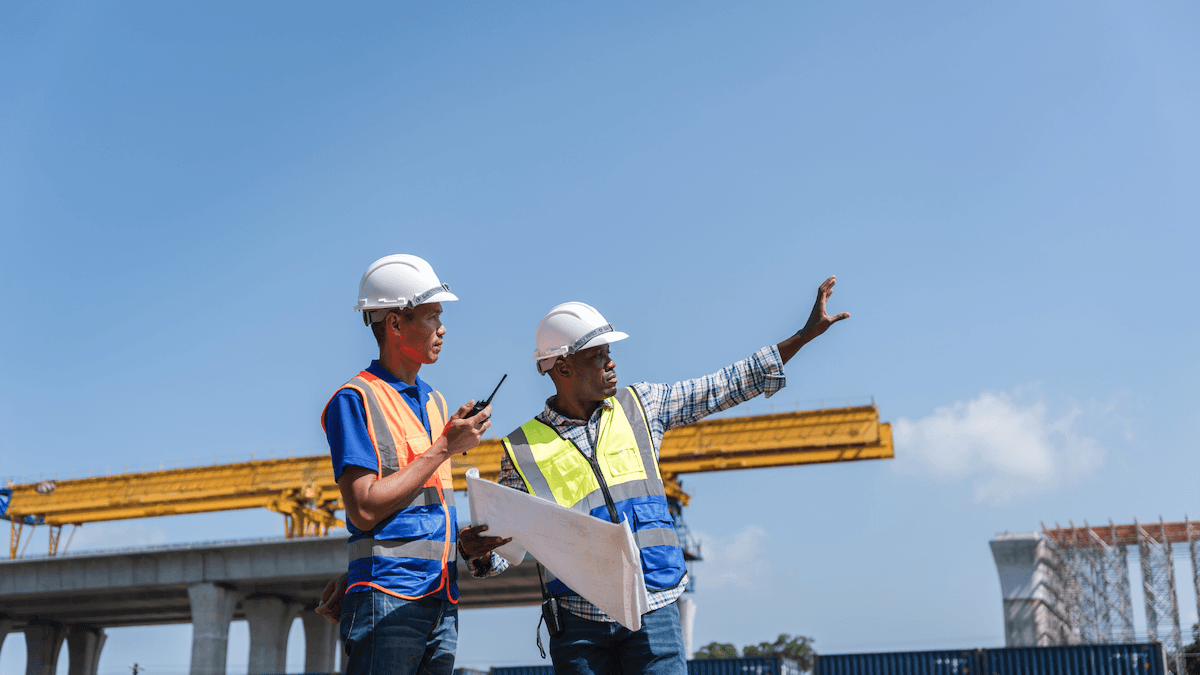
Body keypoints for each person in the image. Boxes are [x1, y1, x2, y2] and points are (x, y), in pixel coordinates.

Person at [458, 276, 849, 675]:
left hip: (655, 608)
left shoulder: (642, 406)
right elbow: (510, 546)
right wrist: (478, 552)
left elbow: (724, 385)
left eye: (609, 353)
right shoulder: (523, 449)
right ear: (563, 366)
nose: (611, 363)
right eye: (597, 356)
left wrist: (802, 337)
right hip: (579, 626)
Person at [319, 254, 496, 675]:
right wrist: (443, 448)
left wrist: (461, 542)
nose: (442, 327)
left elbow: (420, 508)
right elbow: (364, 509)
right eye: (432, 316)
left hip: (441, 598)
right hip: (387, 595)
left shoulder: (435, 402)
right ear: (395, 324)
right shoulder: (355, 399)